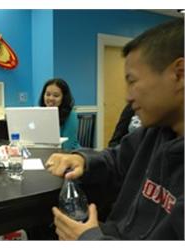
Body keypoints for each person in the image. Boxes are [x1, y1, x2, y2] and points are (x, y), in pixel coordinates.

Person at [47, 18, 184, 240]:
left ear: (179, 74)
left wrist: (90, 240)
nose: (127, 97)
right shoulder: (155, 131)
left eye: (132, 81)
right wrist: (83, 160)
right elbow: (116, 159)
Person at [39, 78, 80, 150]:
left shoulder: (71, 115)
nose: (51, 98)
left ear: (63, 98)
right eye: (48, 94)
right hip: (47, 153)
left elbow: (67, 146)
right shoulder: (40, 113)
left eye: (56, 95)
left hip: (69, 155)